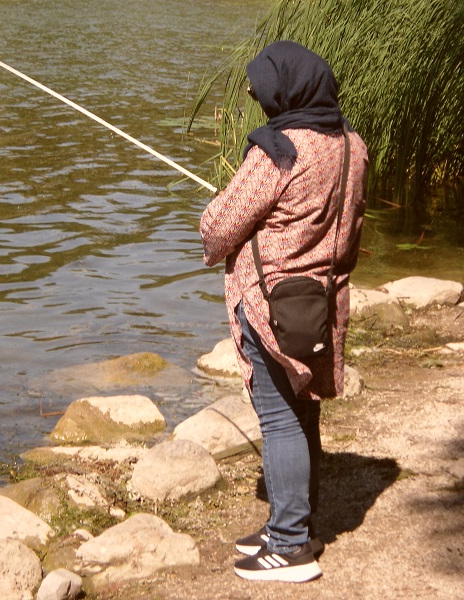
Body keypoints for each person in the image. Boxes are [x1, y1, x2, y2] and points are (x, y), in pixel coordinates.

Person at [200, 40, 368, 583]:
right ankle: (292, 525)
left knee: (279, 419)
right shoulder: (352, 146)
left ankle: (291, 545)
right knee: (303, 409)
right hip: (321, 301)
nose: (259, 97)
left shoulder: (279, 150)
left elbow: (220, 228)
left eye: (264, 88)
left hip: (272, 303)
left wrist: (219, 207)